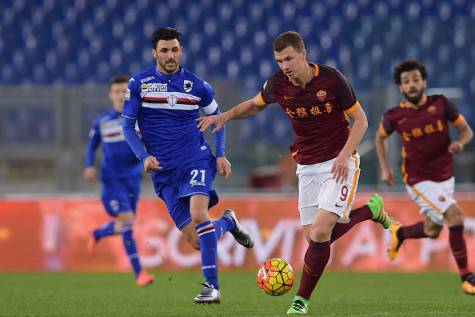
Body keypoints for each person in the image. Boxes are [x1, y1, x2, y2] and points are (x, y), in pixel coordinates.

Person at [198, 31, 392, 315]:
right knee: (314, 237)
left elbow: (361, 121)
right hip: (308, 166)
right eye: (279, 61)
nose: (285, 65)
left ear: (304, 54)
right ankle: (371, 211)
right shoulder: (277, 84)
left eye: (289, 58)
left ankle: (300, 301)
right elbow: (253, 105)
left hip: (340, 161)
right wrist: (225, 116)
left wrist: (343, 155)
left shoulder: (332, 79)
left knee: (322, 231)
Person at [122, 27, 254, 304]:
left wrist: (220, 154)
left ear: (181, 51)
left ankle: (212, 287)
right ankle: (228, 222)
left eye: (175, 50)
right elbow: (127, 126)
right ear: (154, 52)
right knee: (196, 239)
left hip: (195, 159)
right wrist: (143, 156)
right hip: (163, 173)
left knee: (198, 213)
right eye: (164, 50)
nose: (170, 55)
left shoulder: (198, 87)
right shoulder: (139, 84)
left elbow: (217, 119)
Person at [375, 60, 475, 295]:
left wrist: (460, 143)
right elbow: (380, 138)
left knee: (432, 230)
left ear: (424, 82)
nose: (411, 84)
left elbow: (467, 130)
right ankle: (467, 277)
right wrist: (385, 168)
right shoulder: (394, 116)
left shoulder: (441, 104)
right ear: (401, 88)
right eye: (406, 81)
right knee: (456, 216)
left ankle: (400, 233)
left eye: (415, 79)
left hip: (445, 177)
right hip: (418, 179)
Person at [83, 75, 155, 287]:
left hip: (133, 179)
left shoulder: (138, 120)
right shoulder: (102, 121)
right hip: (112, 180)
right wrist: (88, 165)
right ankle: (140, 273)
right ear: (110, 94)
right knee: (127, 218)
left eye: (124, 91)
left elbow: (149, 144)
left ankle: (98, 233)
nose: (120, 95)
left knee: (126, 223)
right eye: (116, 91)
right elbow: (91, 145)